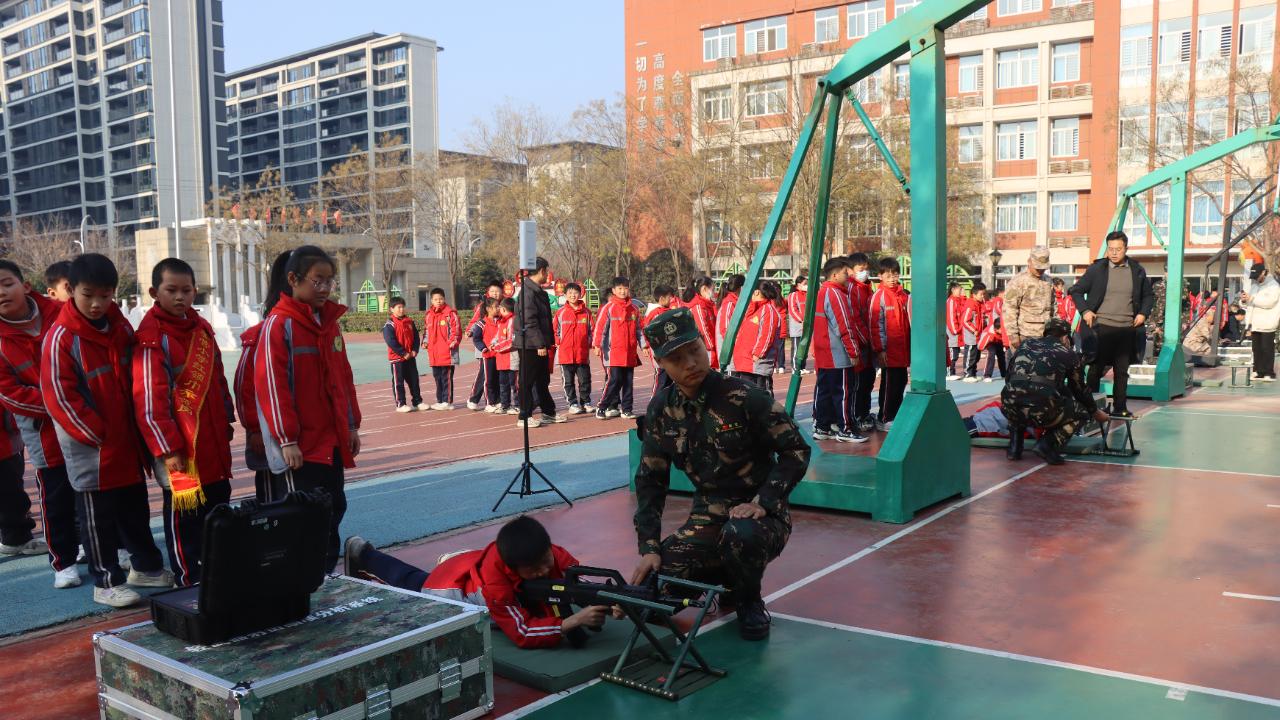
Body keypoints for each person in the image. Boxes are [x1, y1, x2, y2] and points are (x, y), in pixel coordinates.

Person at [631, 307, 811, 641]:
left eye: (695, 350)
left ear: (705, 344)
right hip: (707, 519)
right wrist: (650, 547)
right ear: (660, 363)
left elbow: (795, 450)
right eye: (676, 358)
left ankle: (748, 599)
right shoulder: (662, 409)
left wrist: (765, 501)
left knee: (741, 535)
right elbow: (650, 480)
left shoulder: (746, 398)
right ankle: (723, 576)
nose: (690, 364)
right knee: (649, 595)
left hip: (761, 519)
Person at [41, 254, 171, 608]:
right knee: (97, 518)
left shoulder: (120, 327)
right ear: (70, 291)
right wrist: (97, 434)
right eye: (88, 295)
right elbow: (59, 396)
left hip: (126, 441)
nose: (98, 304)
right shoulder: (61, 338)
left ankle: (145, 566)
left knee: (134, 508)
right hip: (92, 449)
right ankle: (106, 580)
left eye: (106, 295)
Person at [344, 515, 608, 648]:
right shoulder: (497, 587)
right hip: (452, 591)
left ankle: (451, 560)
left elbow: (578, 580)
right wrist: (572, 622)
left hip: (473, 564)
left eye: (546, 562)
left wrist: (608, 600)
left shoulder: (547, 552)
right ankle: (364, 555)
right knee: (410, 583)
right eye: (534, 569)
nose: (544, 571)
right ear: (514, 567)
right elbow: (522, 632)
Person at [255, 246, 362, 572]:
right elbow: (272, 387)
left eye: (330, 281)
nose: (325, 288)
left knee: (332, 508)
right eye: (317, 281)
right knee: (300, 515)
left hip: (331, 442)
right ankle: (297, 578)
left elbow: (343, 377)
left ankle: (325, 574)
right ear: (293, 279)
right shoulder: (279, 325)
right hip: (300, 448)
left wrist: (351, 425)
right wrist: (287, 440)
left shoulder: (329, 324)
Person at [132, 258, 236, 587]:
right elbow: (149, 401)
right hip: (178, 446)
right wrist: (167, 449)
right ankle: (187, 575)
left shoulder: (201, 329)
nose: (180, 297)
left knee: (217, 507)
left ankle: (218, 570)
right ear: (154, 292)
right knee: (184, 514)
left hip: (212, 441)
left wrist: (227, 417)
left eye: (186, 290)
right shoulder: (151, 338)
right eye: (171, 290)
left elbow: (218, 380)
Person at [0, 261, 78, 589]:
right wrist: (57, 400)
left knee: (95, 487)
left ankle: (100, 545)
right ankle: (63, 561)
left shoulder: (61, 312)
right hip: (42, 427)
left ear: (25, 284)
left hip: (82, 415)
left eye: (6, 283)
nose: (1, 293)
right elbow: (10, 392)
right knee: (55, 489)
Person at [1069, 231, 1155, 417]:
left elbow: (1148, 295)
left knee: (1122, 371)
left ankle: (1120, 407)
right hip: (1100, 328)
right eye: (1111, 249)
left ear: (1126, 248)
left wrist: (1143, 313)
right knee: (1095, 370)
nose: (1114, 253)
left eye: (1118, 249)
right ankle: (1090, 408)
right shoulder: (1097, 269)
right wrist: (1085, 311)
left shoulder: (1137, 270)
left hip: (1126, 328)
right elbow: (1075, 290)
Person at [1001, 317, 1110, 465]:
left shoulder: (1026, 344)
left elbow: (1009, 377)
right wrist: (1095, 412)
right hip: (1041, 410)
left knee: (1018, 396)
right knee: (1081, 412)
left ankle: (1014, 448)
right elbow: (1079, 390)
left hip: (1009, 405)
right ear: (1065, 337)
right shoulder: (1067, 353)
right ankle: (1047, 444)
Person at [812, 257, 863, 443]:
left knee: (825, 391)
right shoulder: (835, 294)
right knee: (844, 393)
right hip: (837, 354)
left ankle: (822, 426)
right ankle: (846, 429)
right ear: (834, 275)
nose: (848, 275)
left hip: (824, 353)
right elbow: (844, 326)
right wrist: (854, 352)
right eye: (844, 272)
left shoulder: (823, 292)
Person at [513, 258, 563, 429]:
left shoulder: (537, 291)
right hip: (530, 344)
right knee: (527, 380)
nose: (548, 274)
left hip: (538, 342)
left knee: (542, 379)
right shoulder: (527, 292)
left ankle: (548, 412)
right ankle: (524, 415)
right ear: (542, 271)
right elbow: (529, 321)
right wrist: (540, 344)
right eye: (546, 270)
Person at [592, 276, 642, 421]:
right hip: (613, 353)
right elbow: (600, 327)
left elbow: (639, 330)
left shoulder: (634, 309)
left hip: (630, 352)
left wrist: (644, 345)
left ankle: (627, 409)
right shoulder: (609, 308)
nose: (623, 291)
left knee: (628, 382)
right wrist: (597, 345)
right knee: (614, 380)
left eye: (625, 288)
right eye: (619, 288)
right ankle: (602, 406)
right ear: (613, 290)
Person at [870, 257, 911, 429]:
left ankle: (896, 414)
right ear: (880, 276)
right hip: (889, 351)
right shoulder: (879, 296)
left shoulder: (904, 295)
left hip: (903, 350)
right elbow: (875, 325)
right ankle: (885, 417)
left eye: (895, 274)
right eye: (888, 275)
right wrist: (880, 350)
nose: (893, 278)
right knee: (889, 386)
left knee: (900, 383)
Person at [729, 281, 782, 391]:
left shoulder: (768, 310)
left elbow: (767, 335)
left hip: (756, 366)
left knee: (762, 397)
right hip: (744, 364)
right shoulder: (751, 310)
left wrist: (757, 354)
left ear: (757, 292)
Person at [846, 253, 877, 431]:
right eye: (861, 269)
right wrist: (866, 339)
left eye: (866, 269)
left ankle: (864, 414)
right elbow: (853, 318)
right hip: (859, 344)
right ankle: (856, 415)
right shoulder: (851, 289)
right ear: (851, 271)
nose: (865, 272)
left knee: (868, 380)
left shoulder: (867, 288)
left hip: (868, 343)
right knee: (857, 383)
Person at [1003, 246, 1055, 351]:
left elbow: (1053, 306)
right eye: (1037, 267)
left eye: (1043, 268)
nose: (1040, 270)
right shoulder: (1018, 281)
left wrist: (1055, 330)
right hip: (1025, 335)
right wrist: (1013, 335)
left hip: (1045, 334)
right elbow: (1009, 309)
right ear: (1029, 261)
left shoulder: (1048, 281)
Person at [553, 283, 593, 414]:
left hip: (582, 354)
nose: (572, 295)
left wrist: (588, 343)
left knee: (585, 380)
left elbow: (592, 330)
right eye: (569, 293)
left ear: (580, 294)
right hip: (565, 355)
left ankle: (585, 402)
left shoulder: (587, 313)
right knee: (568, 382)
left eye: (575, 292)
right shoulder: (560, 313)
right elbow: (554, 331)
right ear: (565, 295)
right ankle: (572, 403)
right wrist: (559, 342)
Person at [383, 297, 427, 413]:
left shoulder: (409, 321)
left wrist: (414, 350)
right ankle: (401, 404)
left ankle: (417, 401)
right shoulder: (389, 325)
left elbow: (416, 337)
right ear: (392, 309)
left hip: (410, 357)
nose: (401, 309)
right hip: (397, 359)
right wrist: (403, 353)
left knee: (414, 380)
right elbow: (391, 341)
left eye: (403, 307)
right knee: (399, 382)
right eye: (399, 307)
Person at [466, 280, 506, 409]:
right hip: (484, 346)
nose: (494, 293)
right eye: (492, 291)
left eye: (497, 291)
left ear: (502, 292)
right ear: (488, 292)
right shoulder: (483, 306)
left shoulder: (505, 305)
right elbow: (474, 321)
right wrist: (469, 331)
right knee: (484, 374)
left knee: (494, 375)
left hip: (499, 348)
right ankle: (475, 398)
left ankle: (494, 399)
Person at [423, 288, 462, 411]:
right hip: (434, 353)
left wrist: (451, 343)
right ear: (431, 300)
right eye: (435, 299)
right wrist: (425, 342)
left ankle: (447, 401)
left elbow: (456, 331)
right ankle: (440, 400)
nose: (438, 301)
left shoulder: (450, 314)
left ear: (444, 299)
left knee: (446, 379)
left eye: (440, 299)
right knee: (437, 378)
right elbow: (426, 331)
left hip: (447, 354)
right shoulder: (429, 315)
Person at [1242, 263, 1278, 381]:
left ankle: (1269, 373)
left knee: (1267, 348)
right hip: (1255, 322)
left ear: (1263, 272)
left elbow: (1269, 303)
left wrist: (1251, 298)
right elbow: (1249, 303)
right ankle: (1258, 371)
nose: (1255, 278)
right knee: (1256, 348)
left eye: (1257, 275)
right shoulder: (1254, 286)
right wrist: (1244, 301)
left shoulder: (1274, 286)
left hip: (1268, 321)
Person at [642, 285, 679, 394]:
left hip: (670, 353)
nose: (672, 300)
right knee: (661, 381)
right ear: (662, 299)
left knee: (670, 382)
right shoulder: (655, 314)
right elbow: (648, 332)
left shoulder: (670, 311)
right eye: (669, 297)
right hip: (660, 353)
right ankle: (654, 405)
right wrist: (647, 346)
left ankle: (664, 407)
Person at [683, 276, 719, 370]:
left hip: (709, 347)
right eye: (713, 289)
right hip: (705, 349)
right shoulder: (698, 306)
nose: (714, 292)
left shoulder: (707, 304)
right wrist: (712, 348)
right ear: (704, 289)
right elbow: (703, 330)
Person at [490, 298, 517, 413]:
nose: (498, 309)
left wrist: (497, 347)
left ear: (504, 309)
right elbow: (497, 335)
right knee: (503, 385)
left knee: (515, 385)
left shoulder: (513, 320)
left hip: (512, 360)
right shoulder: (501, 321)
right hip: (501, 360)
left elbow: (511, 341)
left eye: (499, 307)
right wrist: (493, 342)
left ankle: (518, 405)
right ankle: (505, 405)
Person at [960, 282, 987, 382]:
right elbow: (965, 320)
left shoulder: (979, 304)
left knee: (976, 356)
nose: (983, 296)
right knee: (970, 355)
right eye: (981, 294)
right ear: (974, 294)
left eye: (984, 294)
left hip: (978, 335)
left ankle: (973, 373)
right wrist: (974, 330)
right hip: (971, 335)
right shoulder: (970, 304)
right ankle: (967, 374)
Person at [715, 274, 745, 362]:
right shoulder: (729, 303)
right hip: (729, 353)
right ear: (741, 287)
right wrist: (737, 344)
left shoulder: (735, 302)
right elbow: (725, 329)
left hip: (735, 351)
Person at [981, 287, 1008, 382]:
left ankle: (1004, 373)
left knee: (1001, 355)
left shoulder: (1001, 301)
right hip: (995, 331)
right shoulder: (998, 300)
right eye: (1005, 292)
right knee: (991, 355)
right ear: (1000, 293)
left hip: (999, 333)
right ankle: (987, 375)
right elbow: (999, 310)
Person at [785, 276, 808, 374]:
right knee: (796, 348)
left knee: (805, 348)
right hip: (797, 326)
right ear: (798, 285)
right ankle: (795, 368)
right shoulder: (793, 295)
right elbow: (793, 310)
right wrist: (801, 320)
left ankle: (802, 367)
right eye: (805, 284)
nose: (807, 286)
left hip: (806, 326)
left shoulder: (807, 295)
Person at [945, 282, 966, 380]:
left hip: (957, 332)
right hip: (953, 332)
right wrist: (955, 330)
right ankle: (949, 373)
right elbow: (950, 317)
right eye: (959, 289)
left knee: (955, 353)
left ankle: (951, 372)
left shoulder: (957, 300)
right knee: (952, 353)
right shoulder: (951, 301)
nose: (961, 291)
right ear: (953, 289)